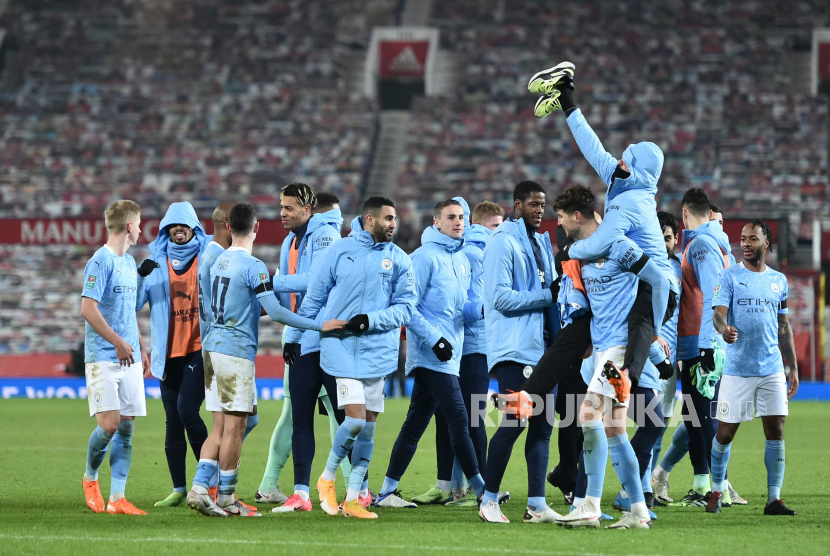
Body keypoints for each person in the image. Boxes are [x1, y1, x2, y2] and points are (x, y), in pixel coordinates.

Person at [188, 203, 345, 517]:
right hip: (235, 352)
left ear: (229, 226)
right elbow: (274, 312)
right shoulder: (254, 266)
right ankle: (228, 499)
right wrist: (317, 324)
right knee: (235, 428)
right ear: (256, 227)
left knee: (218, 426)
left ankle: (199, 488)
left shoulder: (218, 260)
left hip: (212, 350)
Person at [529, 61, 676, 388]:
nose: (619, 160)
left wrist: (568, 250)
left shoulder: (631, 202)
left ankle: (628, 380)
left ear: (638, 170)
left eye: (627, 159)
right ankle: (656, 367)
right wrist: (569, 104)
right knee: (630, 328)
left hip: (654, 285)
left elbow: (599, 244)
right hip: (637, 276)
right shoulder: (622, 179)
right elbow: (592, 147)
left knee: (639, 324)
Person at [552, 186, 670, 530]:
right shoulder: (583, 254)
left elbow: (660, 279)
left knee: (589, 416)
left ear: (577, 216)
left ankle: (589, 505)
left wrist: (655, 328)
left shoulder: (620, 246)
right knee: (613, 428)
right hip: (602, 350)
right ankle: (637, 510)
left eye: (560, 217)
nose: (558, 224)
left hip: (619, 351)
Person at [296, 197, 417, 519]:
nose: (393, 224)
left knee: (368, 429)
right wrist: (297, 335)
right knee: (355, 420)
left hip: (378, 353)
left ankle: (352, 499)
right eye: (388, 218)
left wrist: (372, 320)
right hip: (340, 348)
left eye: (395, 219)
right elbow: (315, 297)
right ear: (369, 219)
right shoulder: (339, 250)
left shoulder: (400, 260)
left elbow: (406, 307)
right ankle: (326, 479)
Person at [378, 199, 487, 508]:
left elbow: (460, 310)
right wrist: (435, 340)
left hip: (450, 354)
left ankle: (387, 490)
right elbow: (407, 307)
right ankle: (481, 490)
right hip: (431, 354)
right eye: (451, 217)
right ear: (436, 222)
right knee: (458, 420)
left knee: (415, 424)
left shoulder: (462, 259)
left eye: (462, 217)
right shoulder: (424, 258)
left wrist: (483, 309)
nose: (458, 222)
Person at [258, 186, 351, 510]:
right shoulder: (292, 240)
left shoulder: (324, 236)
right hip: (300, 337)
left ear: (311, 210)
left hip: (326, 340)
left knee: (341, 418)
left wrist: (273, 284)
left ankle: (355, 491)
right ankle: (298, 490)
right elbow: (289, 294)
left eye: (288, 207)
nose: (282, 212)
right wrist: (272, 306)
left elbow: (316, 282)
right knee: (305, 417)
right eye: (280, 207)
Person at [478, 181, 560, 524]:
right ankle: (489, 500)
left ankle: (537, 504)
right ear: (517, 206)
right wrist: (547, 295)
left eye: (543, 205)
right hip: (515, 351)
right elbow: (499, 298)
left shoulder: (540, 241)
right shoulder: (502, 241)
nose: (540, 210)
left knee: (542, 428)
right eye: (533, 204)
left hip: (544, 352)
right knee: (514, 422)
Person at [415, 200, 505, 507]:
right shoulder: (475, 252)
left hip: (462, 346)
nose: (499, 230)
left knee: (458, 418)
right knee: (462, 419)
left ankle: (460, 486)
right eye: (495, 225)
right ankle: (462, 486)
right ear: (480, 224)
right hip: (469, 346)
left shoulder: (465, 251)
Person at [707, 220, 798, 516]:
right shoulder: (730, 275)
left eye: (752, 239)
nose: (745, 243)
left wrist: (792, 367)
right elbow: (718, 315)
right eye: (743, 239)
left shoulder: (779, 281)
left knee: (776, 430)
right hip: (738, 368)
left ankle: (774, 499)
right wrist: (724, 329)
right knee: (725, 433)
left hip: (771, 368)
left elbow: (783, 326)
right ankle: (717, 491)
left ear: (766, 244)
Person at [654, 188, 731, 508]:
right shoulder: (710, 242)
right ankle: (704, 485)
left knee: (703, 419)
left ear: (685, 213)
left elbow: (716, 293)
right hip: (698, 344)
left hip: (700, 344)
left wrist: (709, 343)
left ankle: (716, 489)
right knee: (696, 418)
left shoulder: (699, 245)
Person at [81, 200, 156, 515]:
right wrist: (118, 343)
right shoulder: (100, 261)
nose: (140, 229)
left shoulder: (128, 262)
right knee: (109, 425)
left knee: (126, 426)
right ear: (129, 226)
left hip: (130, 356)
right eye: (138, 224)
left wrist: (140, 346)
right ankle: (90, 476)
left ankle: (118, 498)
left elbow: (129, 311)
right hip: (104, 357)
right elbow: (88, 309)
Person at [135, 201, 211, 507]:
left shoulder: (208, 257)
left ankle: (209, 482)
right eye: (172, 227)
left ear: (193, 228)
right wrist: (140, 276)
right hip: (167, 354)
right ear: (167, 231)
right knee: (172, 420)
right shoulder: (155, 262)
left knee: (187, 411)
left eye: (183, 226)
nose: (178, 231)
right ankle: (179, 488)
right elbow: (135, 305)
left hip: (198, 349)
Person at [190, 204, 257, 511]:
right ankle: (218, 491)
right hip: (227, 347)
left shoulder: (210, 256)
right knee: (229, 426)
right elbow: (224, 309)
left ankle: (202, 487)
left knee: (234, 423)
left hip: (213, 347)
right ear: (230, 225)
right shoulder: (222, 258)